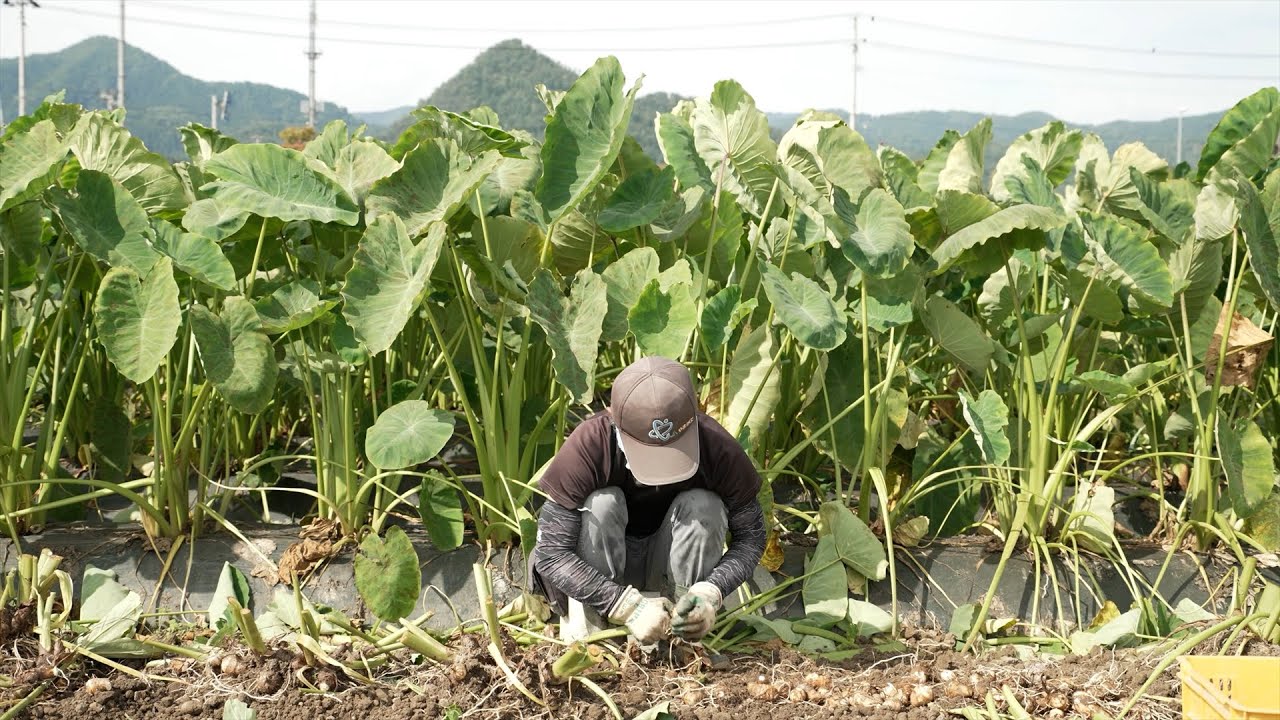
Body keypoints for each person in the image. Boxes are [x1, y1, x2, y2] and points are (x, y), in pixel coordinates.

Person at [528, 356, 767, 644]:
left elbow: (751, 538)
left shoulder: (718, 448)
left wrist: (711, 591)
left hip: (665, 561)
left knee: (705, 507)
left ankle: (683, 631)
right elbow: (551, 553)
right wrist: (626, 606)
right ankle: (595, 639)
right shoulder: (590, 445)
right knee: (602, 504)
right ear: (616, 424)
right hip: (600, 574)